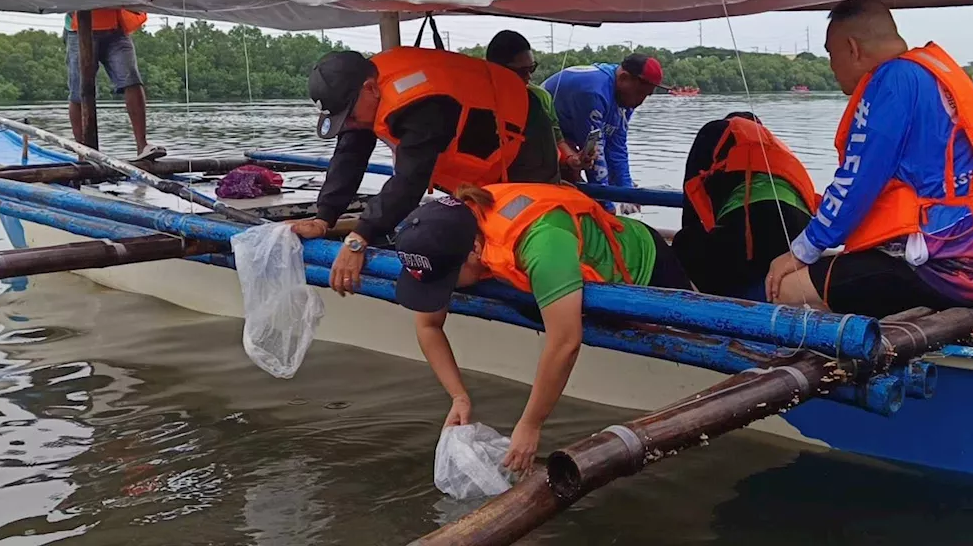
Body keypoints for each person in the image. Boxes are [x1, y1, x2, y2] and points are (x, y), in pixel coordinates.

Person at [386, 182, 693, 474]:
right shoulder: (443, 234)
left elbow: (565, 342)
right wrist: (459, 397)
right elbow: (428, 323)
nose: (443, 291)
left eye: (446, 282)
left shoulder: (542, 243)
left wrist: (531, 424)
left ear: (475, 250)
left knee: (688, 335)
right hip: (560, 268)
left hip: (643, 263)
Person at [764, 0, 973, 318]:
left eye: (831, 54)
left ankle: (840, 363)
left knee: (786, 288)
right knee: (850, 269)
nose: (831, 66)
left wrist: (799, 252)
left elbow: (855, 183)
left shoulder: (891, 82)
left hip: (954, 269)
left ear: (853, 49)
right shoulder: (930, 74)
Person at [288, 47, 561, 294]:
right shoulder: (361, 92)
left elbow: (411, 180)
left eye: (349, 115)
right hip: (479, 142)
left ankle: (546, 291)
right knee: (479, 218)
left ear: (370, 88)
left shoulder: (422, 103)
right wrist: (324, 218)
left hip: (523, 129)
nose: (349, 123)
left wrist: (359, 239)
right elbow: (349, 154)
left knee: (527, 220)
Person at [672, 112, 819, 300]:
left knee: (686, 243)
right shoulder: (777, 147)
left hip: (753, 225)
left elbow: (690, 195)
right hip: (798, 230)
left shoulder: (715, 131)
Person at [59, 0, 164, 160]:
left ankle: (143, 145)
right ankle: (84, 150)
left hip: (116, 27)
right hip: (80, 29)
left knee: (132, 80)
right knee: (79, 88)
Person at [542, 54, 665, 214]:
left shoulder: (626, 97)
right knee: (572, 188)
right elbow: (595, 154)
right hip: (542, 135)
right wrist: (607, 208)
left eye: (646, 96)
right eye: (640, 93)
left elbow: (617, 147)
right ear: (623, 77)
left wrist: (628, 193)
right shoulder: (593, 92)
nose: (640, 102)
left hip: (568, 135)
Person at [484, 30, 592, 178]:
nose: (529, 76)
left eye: (532, 68)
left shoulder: (540, 97)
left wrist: (572, 159)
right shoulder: (474, 102)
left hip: (539, 183)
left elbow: (557, 139)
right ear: (497, 70)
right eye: (522, 71)